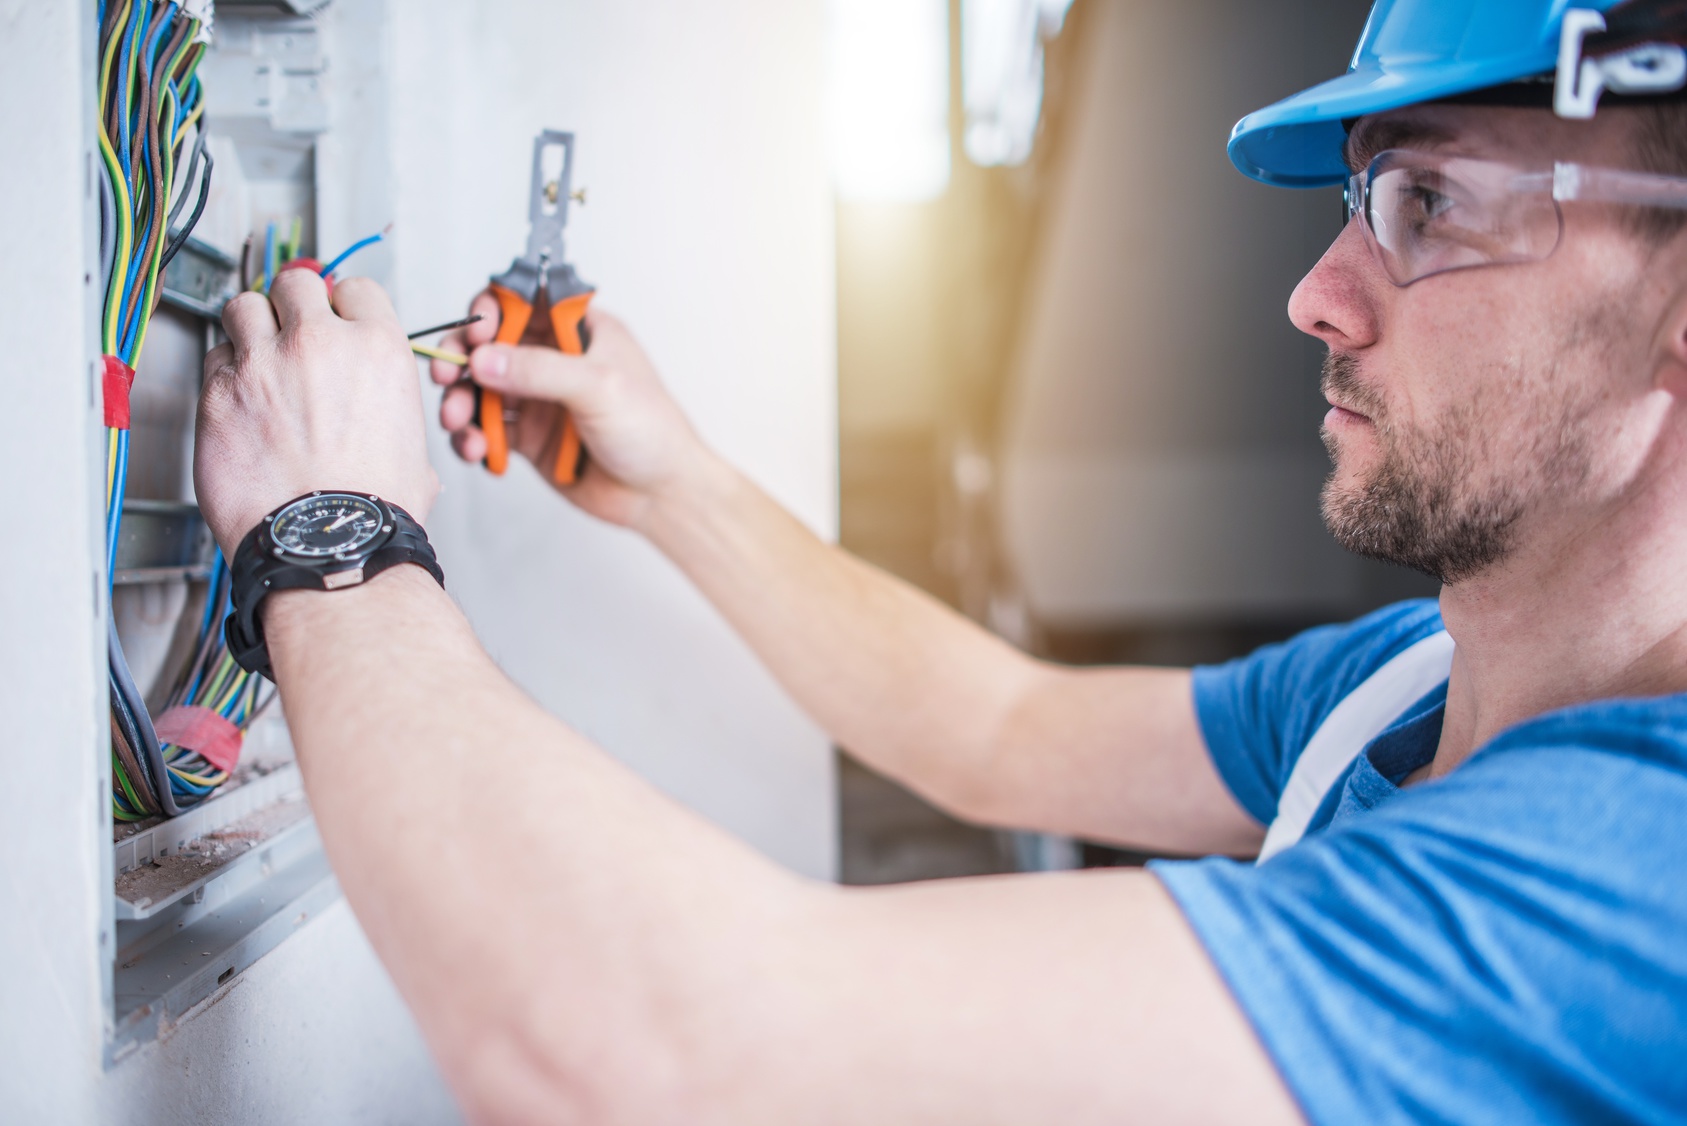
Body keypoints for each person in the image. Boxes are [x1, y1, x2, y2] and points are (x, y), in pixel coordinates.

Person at [192, 0, 1687, 1121]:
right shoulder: (1408, 687)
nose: (1313, 293)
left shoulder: (1636, 882)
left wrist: (331, 540)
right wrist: (676, 480)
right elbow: (999, 729)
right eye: (1357, 197)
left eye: (1430, 202)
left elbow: (647, 1043)